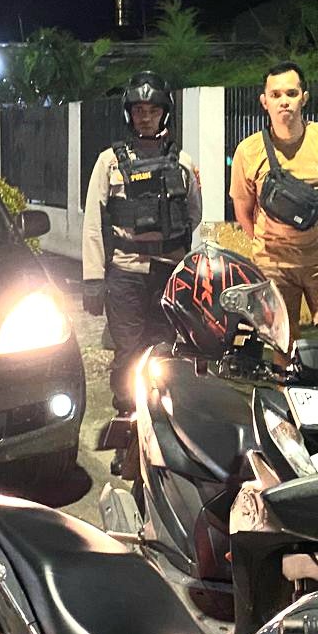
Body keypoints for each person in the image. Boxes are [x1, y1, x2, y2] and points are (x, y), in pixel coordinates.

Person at [81, 71, 201, 412]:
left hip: (168, 273)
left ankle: (161, 417)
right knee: (128, 353)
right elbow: (93, 223)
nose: (145, 117)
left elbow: (194, 214)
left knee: (165, 349)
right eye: (138, 111)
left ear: (165, 113)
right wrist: (93, 279)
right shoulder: (109, 162)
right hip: (125, 274)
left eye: (153, 110)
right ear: (129, 114)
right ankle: (127, 418)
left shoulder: (183, 162)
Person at [230, 63, 318, 356]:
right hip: (274, 264)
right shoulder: (248, 150)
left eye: (291, 93)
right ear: (264, 101)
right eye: (276, 94)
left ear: (304, 98)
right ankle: (289, 389)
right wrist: (264, 245)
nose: (284, 101)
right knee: (284, 347)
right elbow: (243, 209)